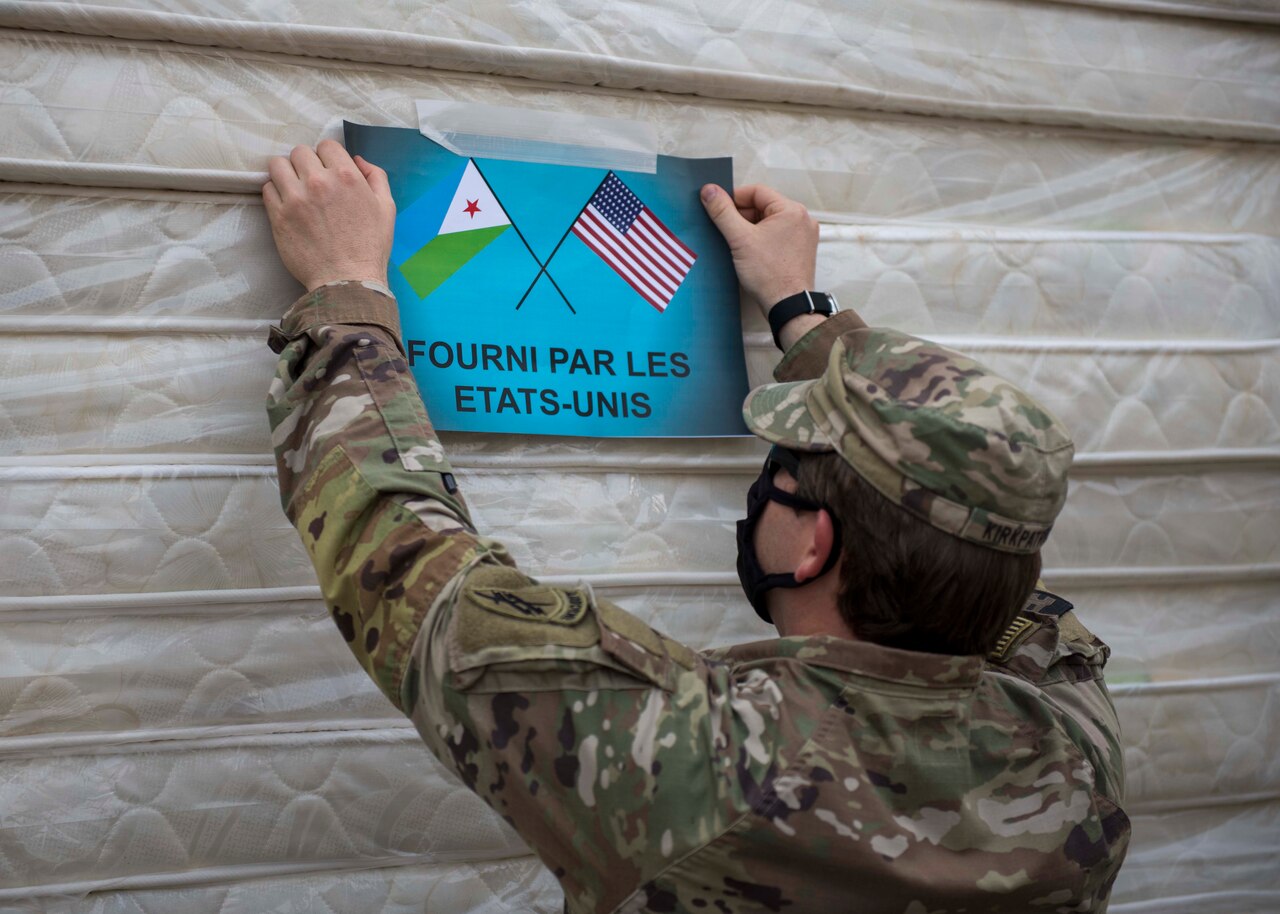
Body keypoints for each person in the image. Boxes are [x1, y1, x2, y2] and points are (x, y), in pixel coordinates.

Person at [262, 140, 1129, 913]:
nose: (764, 493)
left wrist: (347, 294)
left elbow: (409, 567)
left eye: (779, 475)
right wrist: (801, 309)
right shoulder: (1074, 755)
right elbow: (982, 514)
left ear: (814, 542)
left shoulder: (705, 761)